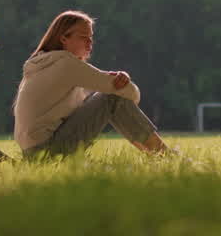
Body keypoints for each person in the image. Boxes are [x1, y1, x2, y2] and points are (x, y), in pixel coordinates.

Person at [13, 10, 172, 158]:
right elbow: (131, 94)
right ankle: (164, 155)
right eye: (84, 37)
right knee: (112, 99)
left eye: (91, 38)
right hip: (47, 151)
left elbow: (93, 101)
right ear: (64, 39)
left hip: (34, 153)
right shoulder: (66, 64)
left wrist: (116, 86)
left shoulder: (43, 64)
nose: (90, 43)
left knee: (109, 98)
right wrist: (124, 80)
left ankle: (156, 155)